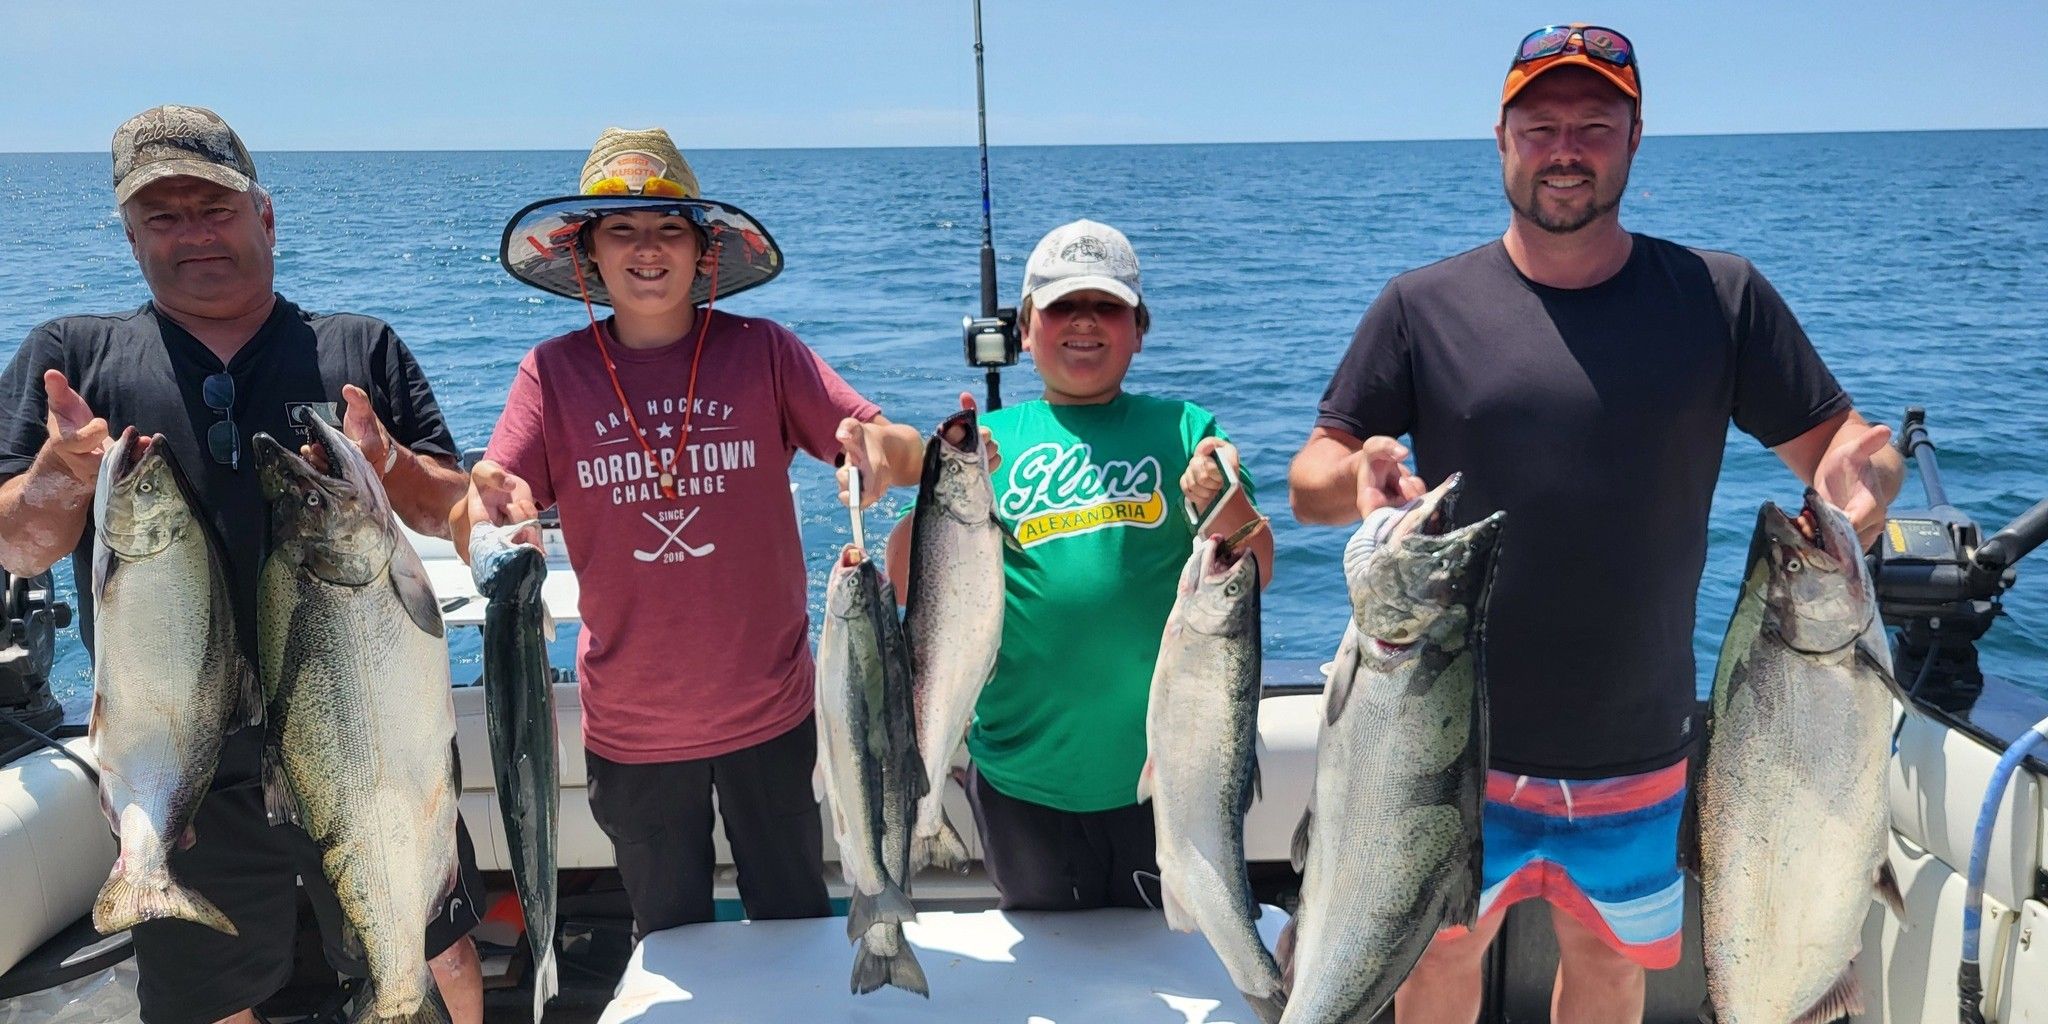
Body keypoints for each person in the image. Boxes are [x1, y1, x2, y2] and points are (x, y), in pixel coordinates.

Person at [1286, 26, 1905, 1024]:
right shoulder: (1421, 305)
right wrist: (1355, 473)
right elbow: (1310, 477)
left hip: (1637, 735)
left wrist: (1865, 480)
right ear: (1500, 139)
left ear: (1634, 137)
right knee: (1431, 969)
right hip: (1444, 734)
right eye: (1539, 128)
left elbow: (1849, 446)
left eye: (1592, 126)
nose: (1564, 150)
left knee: (1612, 972)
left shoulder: (1719, 298)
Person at [0, 106, 485, 1024]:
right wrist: (59, 474)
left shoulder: (359, 347)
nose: (194, 234)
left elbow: (450, 510)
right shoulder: (73, 357)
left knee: (439, 952)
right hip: (179, 754)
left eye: (215, 209)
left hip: (365, 729)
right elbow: (17, 543)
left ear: (265, 216)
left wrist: (389, 464)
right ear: (131, 236)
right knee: (210, 999)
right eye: (163, 217)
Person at [452, 127, 932, 938]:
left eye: (669, 229)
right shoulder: (551, 373)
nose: (647, 249)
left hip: (773, 713)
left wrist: (881, 450)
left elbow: (907, 450)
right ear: (589, 254)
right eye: (622, 230)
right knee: (669, 934)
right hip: (631, 728)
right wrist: (488, 512)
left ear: (703, 251)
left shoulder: (765, 352)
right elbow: (485, 507)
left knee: (794, 928)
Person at [884, 219, 1273, 911]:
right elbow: (906, 579)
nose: (1084, 322)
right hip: (1020, 779)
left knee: (1163, 951)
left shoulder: (1186, 429)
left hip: (1169, 777)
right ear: (1023, 331)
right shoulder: (990, 441)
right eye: (1062, 306)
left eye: (1107, 307)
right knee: (1053, 953)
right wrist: (945, 483)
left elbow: (1258, 568)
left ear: (1139, 330)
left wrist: (1223, 498)